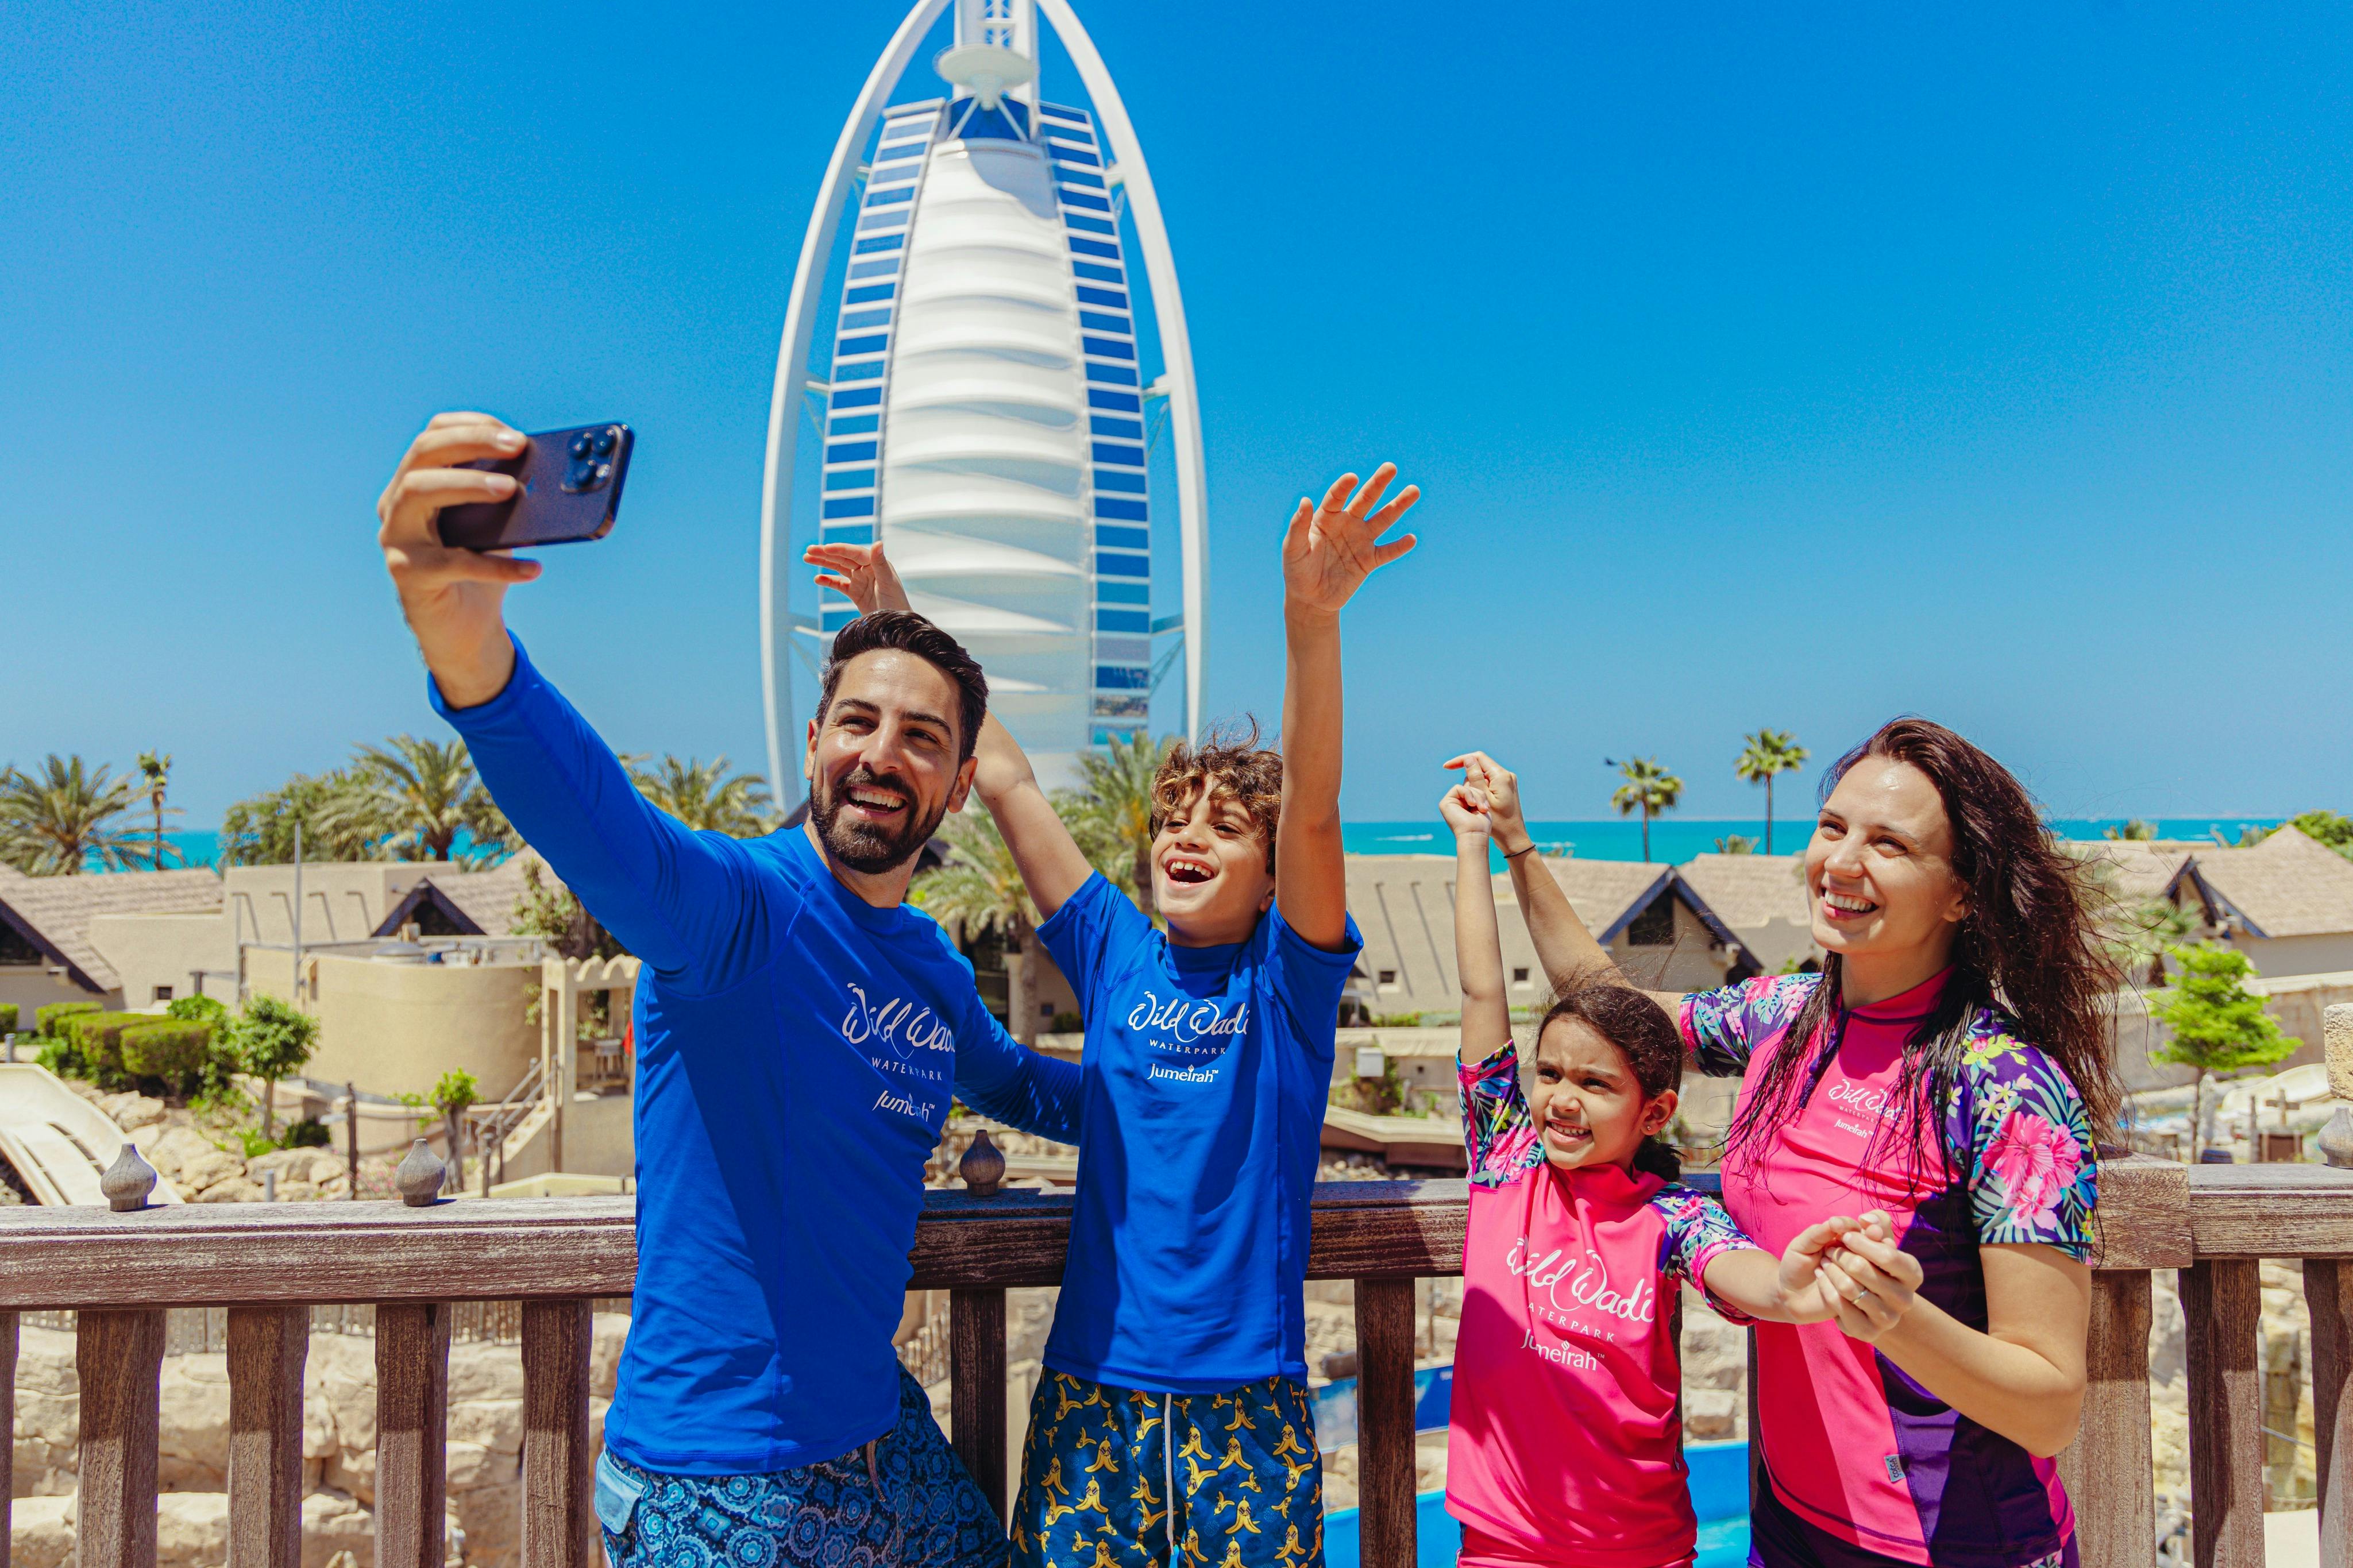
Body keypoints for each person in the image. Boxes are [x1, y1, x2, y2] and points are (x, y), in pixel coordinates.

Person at [376, 411, 1082, 1568]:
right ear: (812, 744)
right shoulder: (736, 911)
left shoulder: (928, 967)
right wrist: (460, 634)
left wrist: (1206, 1093)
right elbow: (601, 824)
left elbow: (1022, 1087)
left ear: (959, 787)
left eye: (920, 738)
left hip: (875, 1440)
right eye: (857, 720)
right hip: (718, 1488)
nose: (879, 753)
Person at [806, 464, 1411, 1568]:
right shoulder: (1117, 950)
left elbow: (1315, 813)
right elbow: (1006, 777)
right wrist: (892, 628)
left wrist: (1309, 625)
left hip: (1246, 1405)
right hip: (1094, 1390)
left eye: (1226, 827)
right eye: (1174, 817)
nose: (1187, 836)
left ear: (1272, 875)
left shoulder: (1286, 985)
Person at [1452, 723, 2117, 1568]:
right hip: (1792, 1525)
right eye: (1833, 827)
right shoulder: (1786, 1017)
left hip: (1953, 1542)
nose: (1841, 862)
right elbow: (1615, 1019)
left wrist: (1897, 1319)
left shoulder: (2010, 1087)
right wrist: (1515, 846)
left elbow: (2050, 1405)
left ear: (1963, 895)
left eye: (1890, 844)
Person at [1438, 776, 1910, 1568]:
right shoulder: (1505, 1161)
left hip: (1643, 1545)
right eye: (1549, 1073)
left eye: (1595, 1084)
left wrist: (1797, 1289)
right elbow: (1481, 985)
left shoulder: (1671, 1216)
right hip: (1501, 1544)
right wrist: (1476, 843)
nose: (1562, 1098)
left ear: (1653, 1112)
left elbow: (1742, 1272)